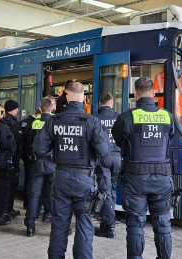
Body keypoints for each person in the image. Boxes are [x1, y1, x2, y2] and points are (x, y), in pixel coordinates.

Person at [33, 82, 112, 258]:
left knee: (59, 225)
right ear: (84, 98)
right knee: (84, 224)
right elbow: (104, 151)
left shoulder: (54, 120)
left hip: (60, 178)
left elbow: (38, 148)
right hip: (85, 181)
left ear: (67, 98)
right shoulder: (91, 121)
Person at [112, 77, 175, 259]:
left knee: (135, 224)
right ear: (154, 93)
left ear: (136, 93)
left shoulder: (127, 117)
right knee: (163, 223)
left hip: (134, 179)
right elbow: (170, 140)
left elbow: (118, 141)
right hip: (162, 177)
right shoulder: (167, 116)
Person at [24, 97, 56, 237]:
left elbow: (28, 142)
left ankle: (30, 227)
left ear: (40, 108)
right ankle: (57, 224)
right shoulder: (55, 122)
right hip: (52, 163)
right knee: (55, 195)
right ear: (52, 107)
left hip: (36, 163)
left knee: (34, 195)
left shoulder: (34, 122)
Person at [94, 92, 121, 239]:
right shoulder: (118, 117)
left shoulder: (95, 119)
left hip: (103, 159)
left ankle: (109, 227)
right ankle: (106, 222)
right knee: (111, 189)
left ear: (100, 104)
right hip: (118, 158)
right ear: (111, 103)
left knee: (106, 192)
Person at [1, 100, 23, 219]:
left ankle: (3, 209)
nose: (18, 110)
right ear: (12, 109)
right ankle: (8, 209)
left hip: (4, 158)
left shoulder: (3, 120)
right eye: (16, 108)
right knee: (11, 184)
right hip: (12, 158)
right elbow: (17, 141)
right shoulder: (13, 124)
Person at [20, 108, 42, 209]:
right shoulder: (35, 123)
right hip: (32, 155)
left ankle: (27, 202)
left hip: (25, 154)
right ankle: (31, 203)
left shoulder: (23, 122)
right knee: (32, 180)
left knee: (28, 178)